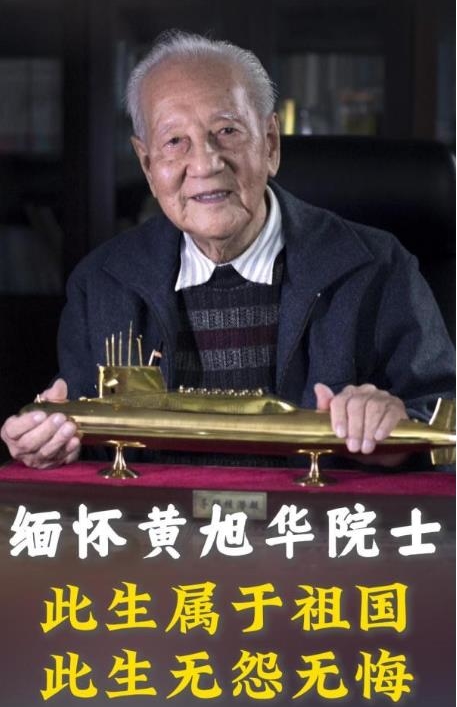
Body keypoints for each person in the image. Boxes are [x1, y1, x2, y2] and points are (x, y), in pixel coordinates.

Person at [1, 31, 454, 469]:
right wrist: (52, 443)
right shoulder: (102, 283)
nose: (204, 163)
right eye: (175, 142)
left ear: (270, 143)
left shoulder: (378, 267)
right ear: (147, 165)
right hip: (160, 521)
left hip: (314, 519)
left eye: (227, 130)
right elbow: (89, 444)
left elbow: (444, 419)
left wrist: (399, 436)